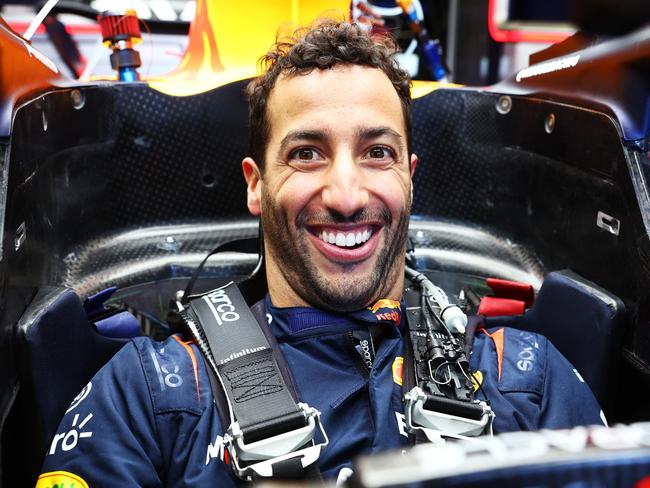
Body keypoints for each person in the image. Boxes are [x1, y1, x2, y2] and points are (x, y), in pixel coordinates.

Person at [37, 20, 605, 487]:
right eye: (307, 153)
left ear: (409, 178)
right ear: (256, 185)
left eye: (376, 152)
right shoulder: (153, 394)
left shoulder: (529, 382)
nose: (347, 195)